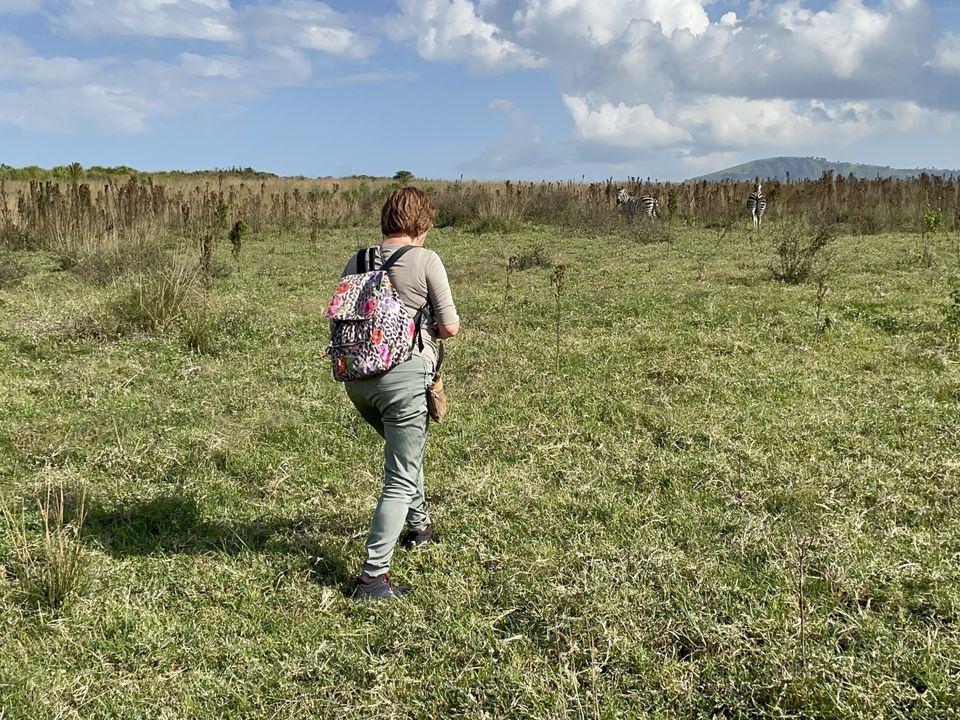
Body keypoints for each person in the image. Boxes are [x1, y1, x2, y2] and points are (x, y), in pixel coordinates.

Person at [339, 186, 460, 601]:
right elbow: (449, 327)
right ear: (421, 224)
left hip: (357, 379)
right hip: (405, 377)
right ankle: (373, 578)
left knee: (405, 454)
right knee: (400, 475)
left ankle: (420, 527)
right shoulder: (426, 260)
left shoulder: (356, 260)